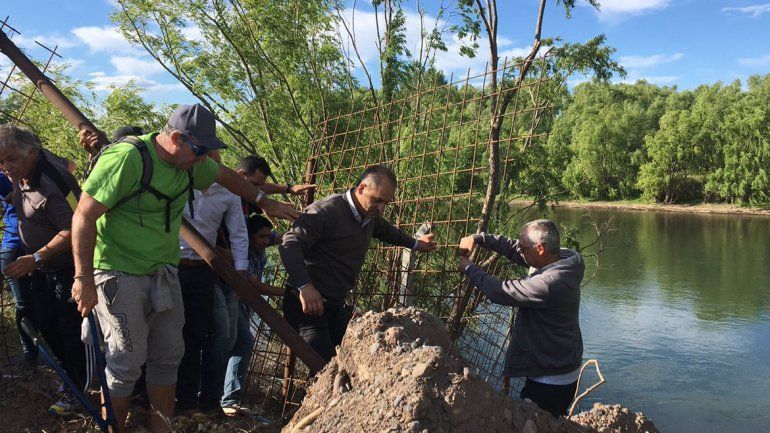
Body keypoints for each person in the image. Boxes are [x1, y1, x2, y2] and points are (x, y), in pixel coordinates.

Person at [71, 103, 298, 433]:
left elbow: (225, 177)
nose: (205, 158)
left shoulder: (192, 164)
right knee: (126, 361)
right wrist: (83, 277)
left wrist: (265, 201)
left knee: (168, 357)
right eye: (201, 149)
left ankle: (161, 428)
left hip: (163, 273)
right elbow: (83, 216)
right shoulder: (127, 158)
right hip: (118, 272)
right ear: (176, 138)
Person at [279, 164, 437, 368]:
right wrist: (305, 286)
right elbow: (289, 243)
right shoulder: (327, 211)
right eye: (377, 200)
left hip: (334, 305)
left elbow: (389, 232)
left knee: (347, 364)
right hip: (306, 306)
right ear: (362, 188)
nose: (381, 208)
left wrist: (416, 244)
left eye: (386, 203)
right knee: (325, 367)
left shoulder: (368, 217)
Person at [457, 219, 585, 417]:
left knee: (536, 422)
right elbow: (514, 248)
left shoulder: (549, 284)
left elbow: (499, 291)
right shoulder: (565, 257)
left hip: (551, 378)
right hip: (557, 363)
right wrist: (479, 238)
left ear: (541, 249)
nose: (520, 249)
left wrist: (468, 267)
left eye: (524, 247)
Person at [0, 125, 85, 416]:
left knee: (70, 330)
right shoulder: (22, 172)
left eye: (10, 159)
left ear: (33, 152)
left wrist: (34, 257)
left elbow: (74, 227)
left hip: (68, 268)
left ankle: (80, 390)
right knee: (47, 324)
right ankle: (73, 381)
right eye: (0, 161)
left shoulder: (50, 182)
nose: (5, 167)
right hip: (41, 268)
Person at [221, 214, 283, 416]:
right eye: (262, 237)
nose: (266, 241)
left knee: (238, 344)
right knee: (243, 343)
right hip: (234, 301)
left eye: (268, 237)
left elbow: (279, 237)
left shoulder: (258, 247)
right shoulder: (242, 253)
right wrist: (290, 292)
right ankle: (228, 399)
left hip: (242, 305)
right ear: (249, 237)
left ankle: (228, 399)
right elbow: (255, 286)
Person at [0, 171, 35, 367]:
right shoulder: (5, 176)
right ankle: (30, 354)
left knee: (40, 299)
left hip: (36, 245)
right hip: (13, 245)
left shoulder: (38, 170)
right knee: (23, 302)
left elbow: (69, 165)